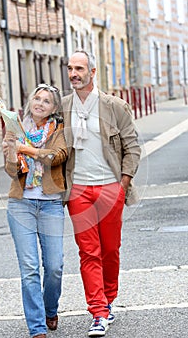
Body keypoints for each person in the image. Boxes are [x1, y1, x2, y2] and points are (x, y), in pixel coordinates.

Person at [62, 50, 141, 337]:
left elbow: (132, 147)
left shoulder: (114, 106)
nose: (74, 73)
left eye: (79, 68)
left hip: (110, 187)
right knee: (88, 252)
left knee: (110, 250)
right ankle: (98, 311)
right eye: (70, 68)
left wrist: (122, 185)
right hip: (78, 191)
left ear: (92, 72)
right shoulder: (63, 107)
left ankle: (109, 299)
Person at [2, 84, 67, 338]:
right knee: (29, 268)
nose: (40, 103)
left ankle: (50, 308)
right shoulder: (15, 129)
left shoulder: (58, 130)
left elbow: (58, 156)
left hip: (50, 204)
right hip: (21, 205)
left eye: (47, 101)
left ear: (54, 108)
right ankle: (37, 327)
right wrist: (11, 153)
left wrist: (27, 149)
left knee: (54, 266)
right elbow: (10, 171)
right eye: (37, 98)